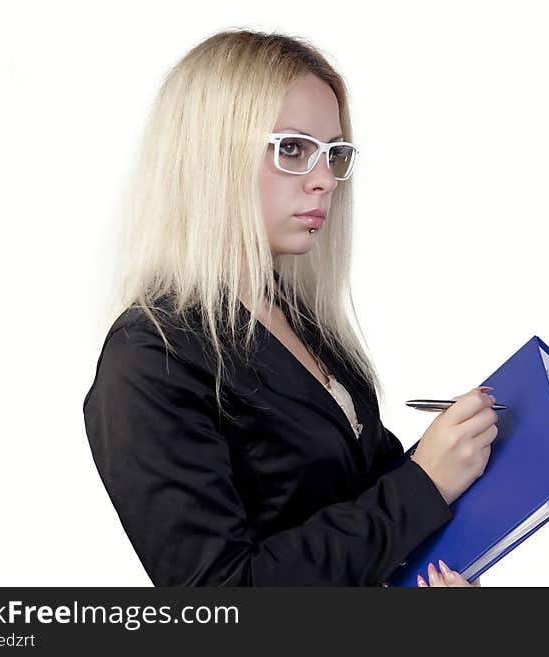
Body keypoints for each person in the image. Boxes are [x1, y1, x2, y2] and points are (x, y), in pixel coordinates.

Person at [82, 29, 499, 587]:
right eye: (293, 150)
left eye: (334, 154)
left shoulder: (298, 319)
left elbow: (364, 507)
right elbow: (220, 595)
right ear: (210, 156)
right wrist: (423, 487)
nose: (325, 180)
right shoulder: (148, 359)